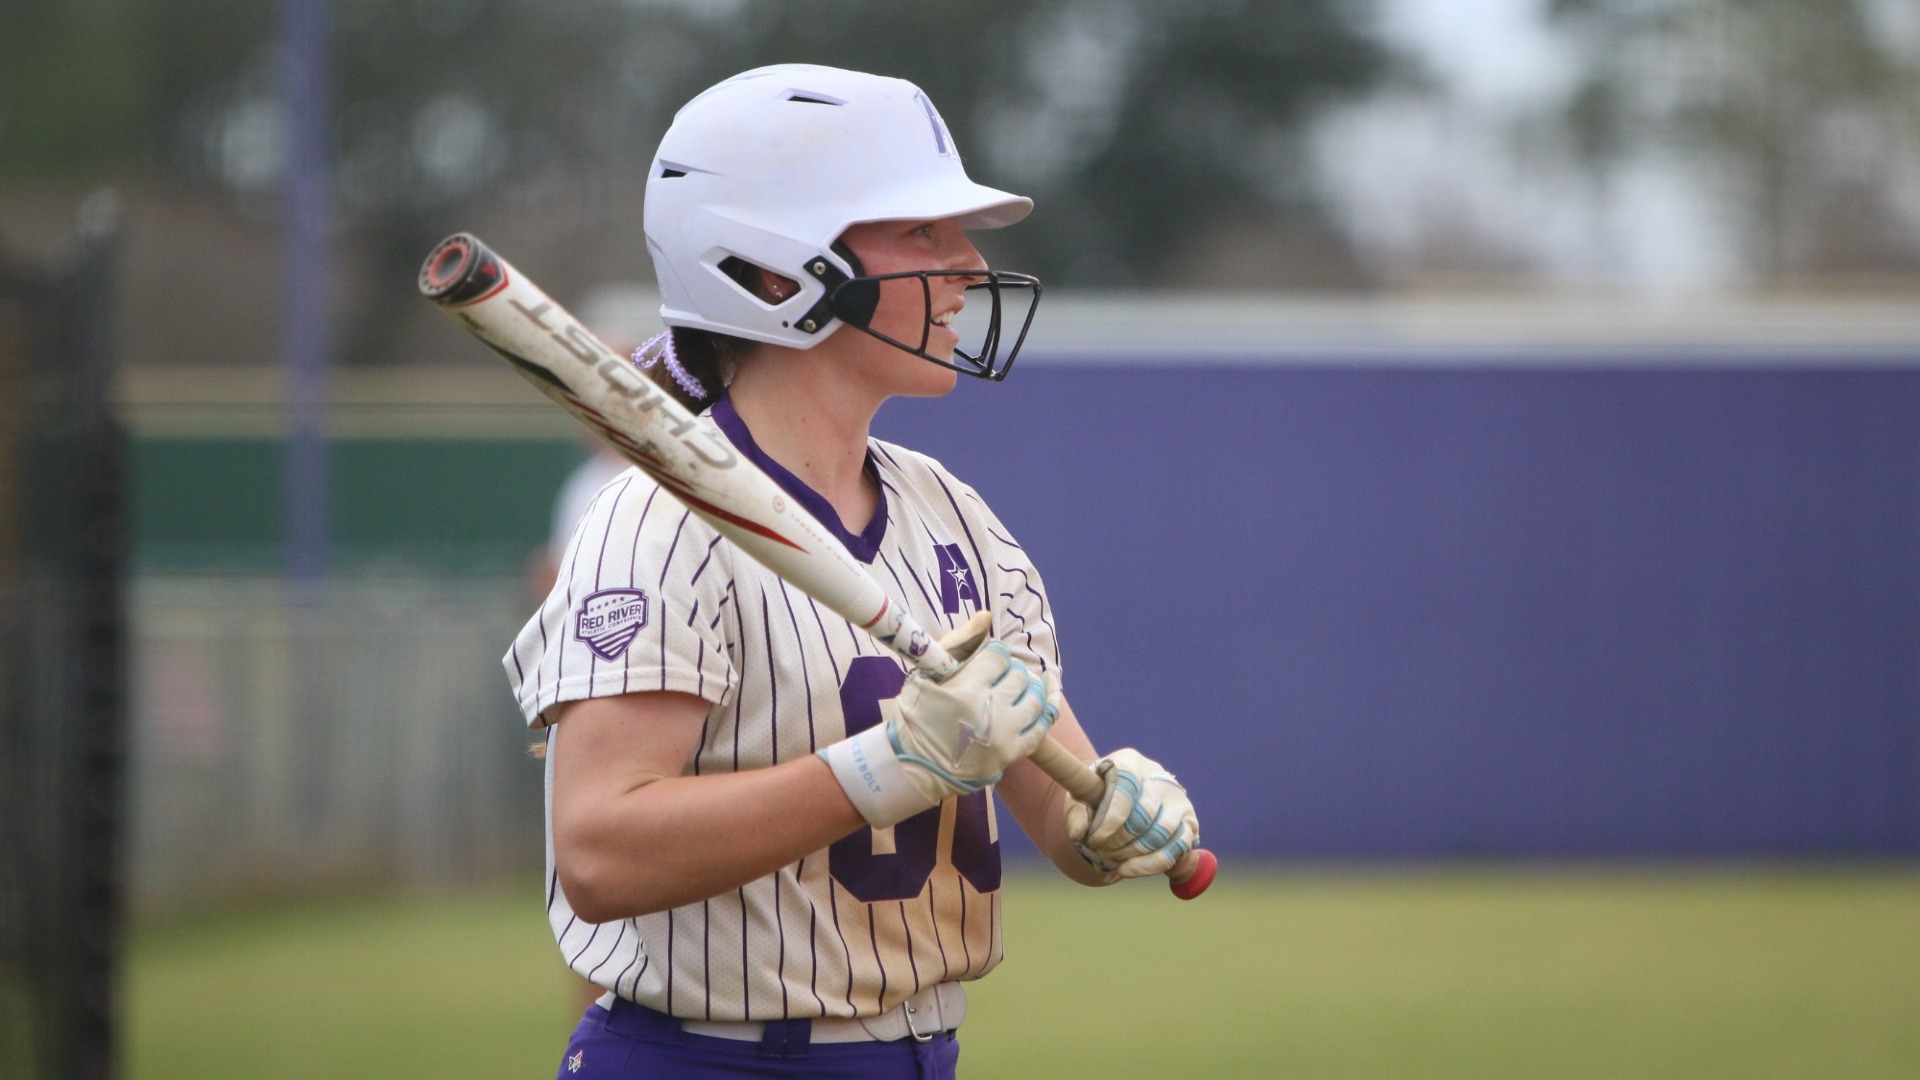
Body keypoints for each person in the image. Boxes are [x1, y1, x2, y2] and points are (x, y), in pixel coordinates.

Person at [505, 64, 1201, 1080]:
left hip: (922, 1054)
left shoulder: (956, 515)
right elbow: (603, 853)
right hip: (707, 1061)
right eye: (923, 232)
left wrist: (1114, 814)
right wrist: (887, 768)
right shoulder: (654, 523)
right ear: (776, 271)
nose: (967, 264)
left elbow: (1057, 809)